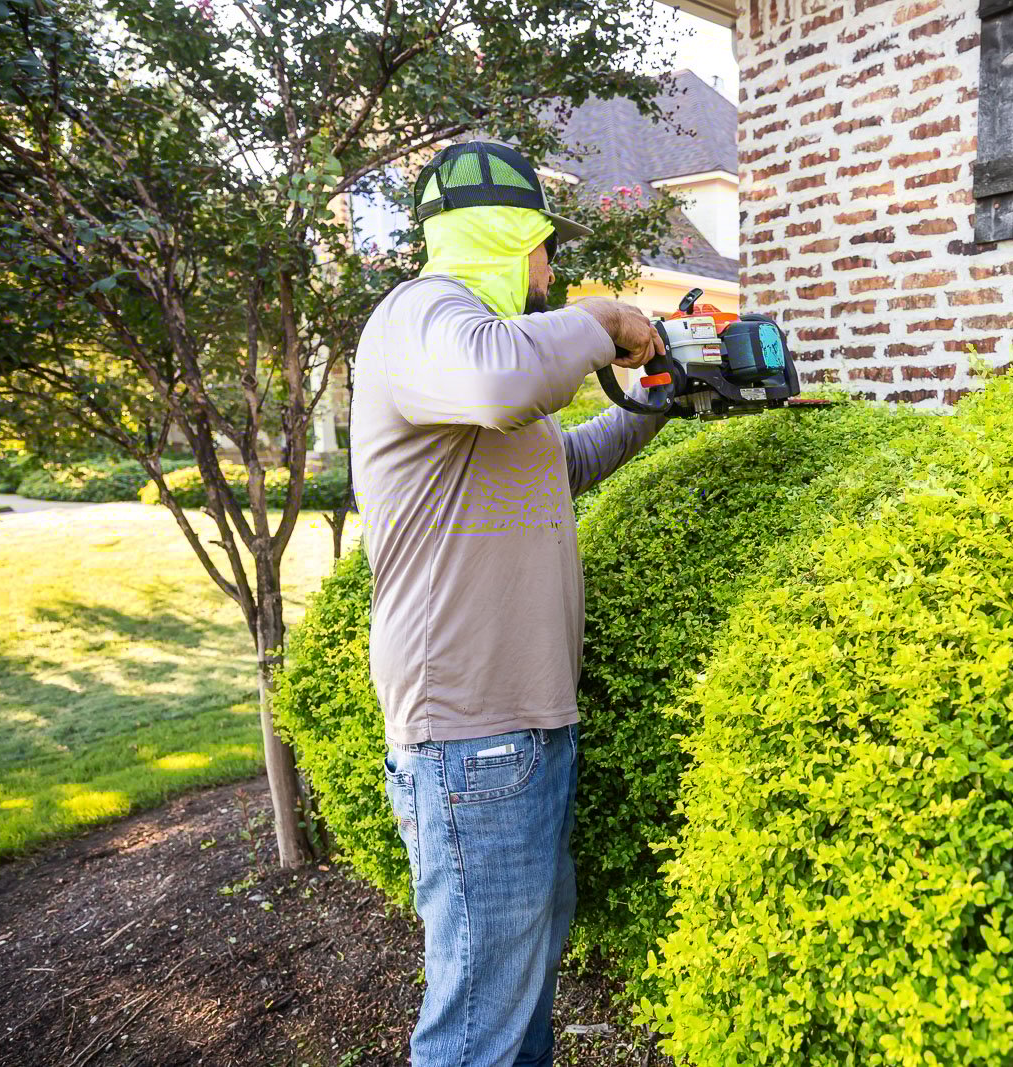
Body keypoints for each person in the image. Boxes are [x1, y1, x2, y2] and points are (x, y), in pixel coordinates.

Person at [350, 139, 671, 1067]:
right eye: (543, 247)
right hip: (470, 737)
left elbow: (558, 467)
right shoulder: (425, 320)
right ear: (504, 237)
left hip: (521, 731)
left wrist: (657, 397)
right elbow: (504, 376)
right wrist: (602, 315)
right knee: (479, 1033)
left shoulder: (486, 372)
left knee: (514, 1001)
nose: (551, 270)